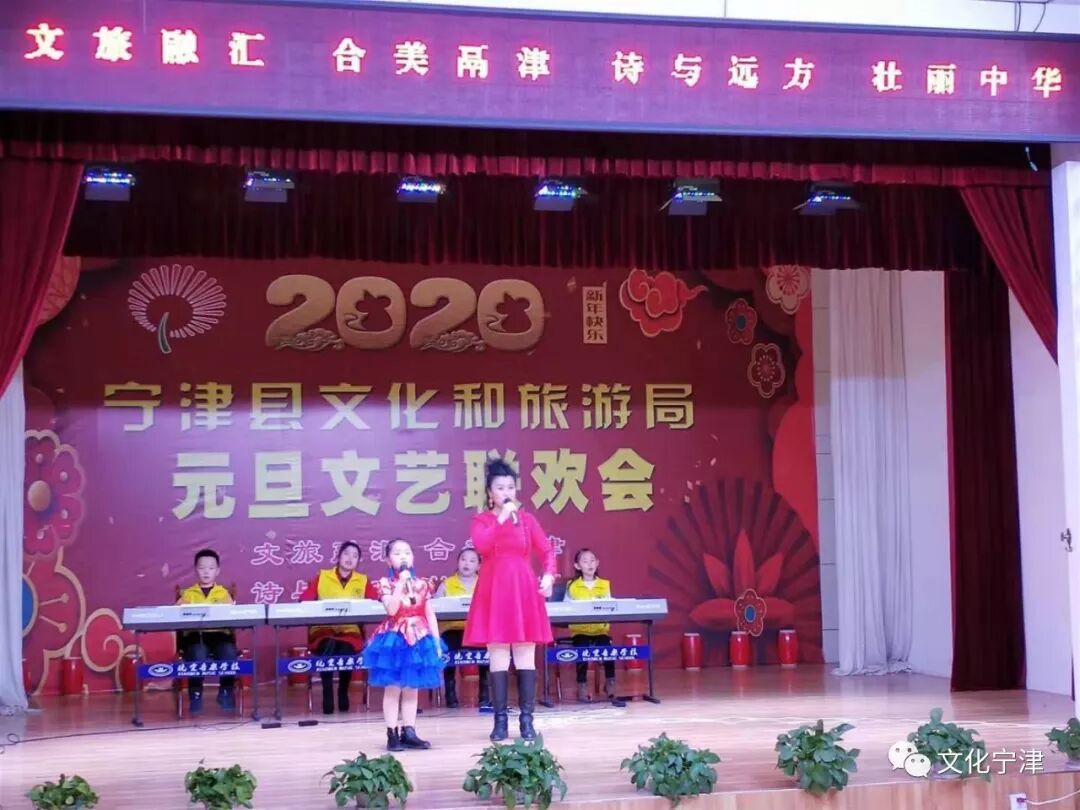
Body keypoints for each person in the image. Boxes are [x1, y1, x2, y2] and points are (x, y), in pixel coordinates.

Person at [464, 458, 556, 742]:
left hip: (523, 589)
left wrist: (549, 575)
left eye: (510, 487)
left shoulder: (527, 520)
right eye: (500, 488)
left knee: (526, 653)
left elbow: (547, 551)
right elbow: (482, 545)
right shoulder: (482, 520)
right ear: (490, 493)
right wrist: (502, 517)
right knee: (499, 656)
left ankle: (527, 721)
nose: (506, 493)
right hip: (494, 590)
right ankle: (500, 721)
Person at [364, 538, 446, 752]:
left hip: (419, 637)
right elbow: (391, 609)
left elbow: (429, 614)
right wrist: (400, 583)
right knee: (393, 687)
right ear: (387, 560)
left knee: (412, 687)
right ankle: (392, 733)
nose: (403, 556)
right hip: (395, 639)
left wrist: (436, 641)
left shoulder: (422, 584)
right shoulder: (385, 583)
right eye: (397, 553)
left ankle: (409, 732)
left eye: (407, 552)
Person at [298, 541, 370, 715]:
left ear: (358, 561)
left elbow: (376, 601)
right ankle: (327, 693)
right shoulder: (322, 576)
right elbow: (304, 600)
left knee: (346, 649)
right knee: (328, 646)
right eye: (346, 554)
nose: (350, 558)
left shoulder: (363, 580)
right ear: (338, 556)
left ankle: (343, 691)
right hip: (323, 632)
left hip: (349, 633)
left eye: (355, 556)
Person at [176, 549, 237, 715]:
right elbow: (175, 614)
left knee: (229, 652)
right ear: (196, 569)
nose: (206, 572)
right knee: (197, 653)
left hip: (220, 636)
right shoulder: (188, 594)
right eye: (202, 568)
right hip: (197, 637)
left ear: (217, 571)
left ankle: (226, 691)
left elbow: (232, 615)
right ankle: (195, 694)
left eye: (211, 568)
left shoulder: (223, 593)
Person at [563, 548, 622, 705]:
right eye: (585, 561)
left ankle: (610, 686)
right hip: (580, 631)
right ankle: (582, 687)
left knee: (608, 650)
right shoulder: (571, 586)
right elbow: (565, 608)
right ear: (577, 566)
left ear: (597, 563)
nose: (589, 564)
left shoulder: (605, 584)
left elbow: (610, 606)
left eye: (592, 560)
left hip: (600, 630)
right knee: (582, 651)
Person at [435, 548, 490, 710]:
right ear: (458, 562)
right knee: (447, 647)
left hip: (477, 629)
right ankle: (450, 696)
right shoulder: (446, 584)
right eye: (463, 559)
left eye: (472, 561)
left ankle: (485, 696)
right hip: (453, 629)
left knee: (489, 650)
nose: (467, 564)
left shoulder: (485, 583)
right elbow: (435, 607)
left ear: (479, 566)